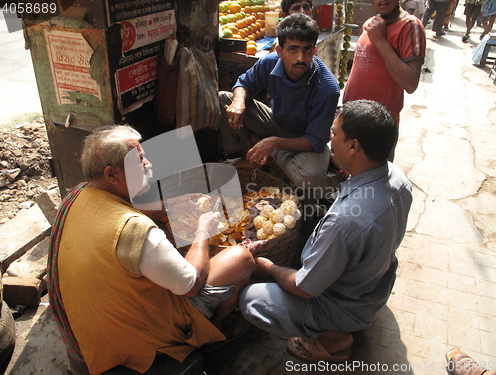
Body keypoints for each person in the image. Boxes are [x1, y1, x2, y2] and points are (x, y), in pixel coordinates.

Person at [47, 125, 255, 375]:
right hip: (140, 336)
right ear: (111, 174)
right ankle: (214, 331)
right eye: (139, 160)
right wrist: (202, 230)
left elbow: (128, 208)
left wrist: (171, 206)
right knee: (242, 258)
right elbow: (190, 285)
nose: (148, 164)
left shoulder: (79, 195)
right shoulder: (138, 232)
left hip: (94, 326)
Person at [240, 100, 413, 362]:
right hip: (375, 285)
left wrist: (266, 267)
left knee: (252, 299)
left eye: (334, 134)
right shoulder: (399, 179)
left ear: (354, 146)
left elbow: (305, 288)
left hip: (344, 304)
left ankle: (332, 337)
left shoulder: (345, 222)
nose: (330, 141)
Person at [219, 13, 340, 189]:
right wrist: (239, 101)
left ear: (314, 51)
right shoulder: (269, 62)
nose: (300, 58)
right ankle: (247, 156)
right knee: (225, 99)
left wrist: (274, 143)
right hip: (275, 122)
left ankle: (266, 153)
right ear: (280, 51)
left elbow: (314, 142)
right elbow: (244, 83)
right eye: (293, 49)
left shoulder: (328, 88)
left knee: (310, 176)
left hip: (304, 139)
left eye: (307, 50)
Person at [342, 0, 425, 161]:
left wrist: (380, 41)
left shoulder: (410, 26)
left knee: (374, 181)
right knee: (347, 177)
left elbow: (410, 83)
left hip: (379, 127)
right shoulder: (369, 25)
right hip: (351, 120)